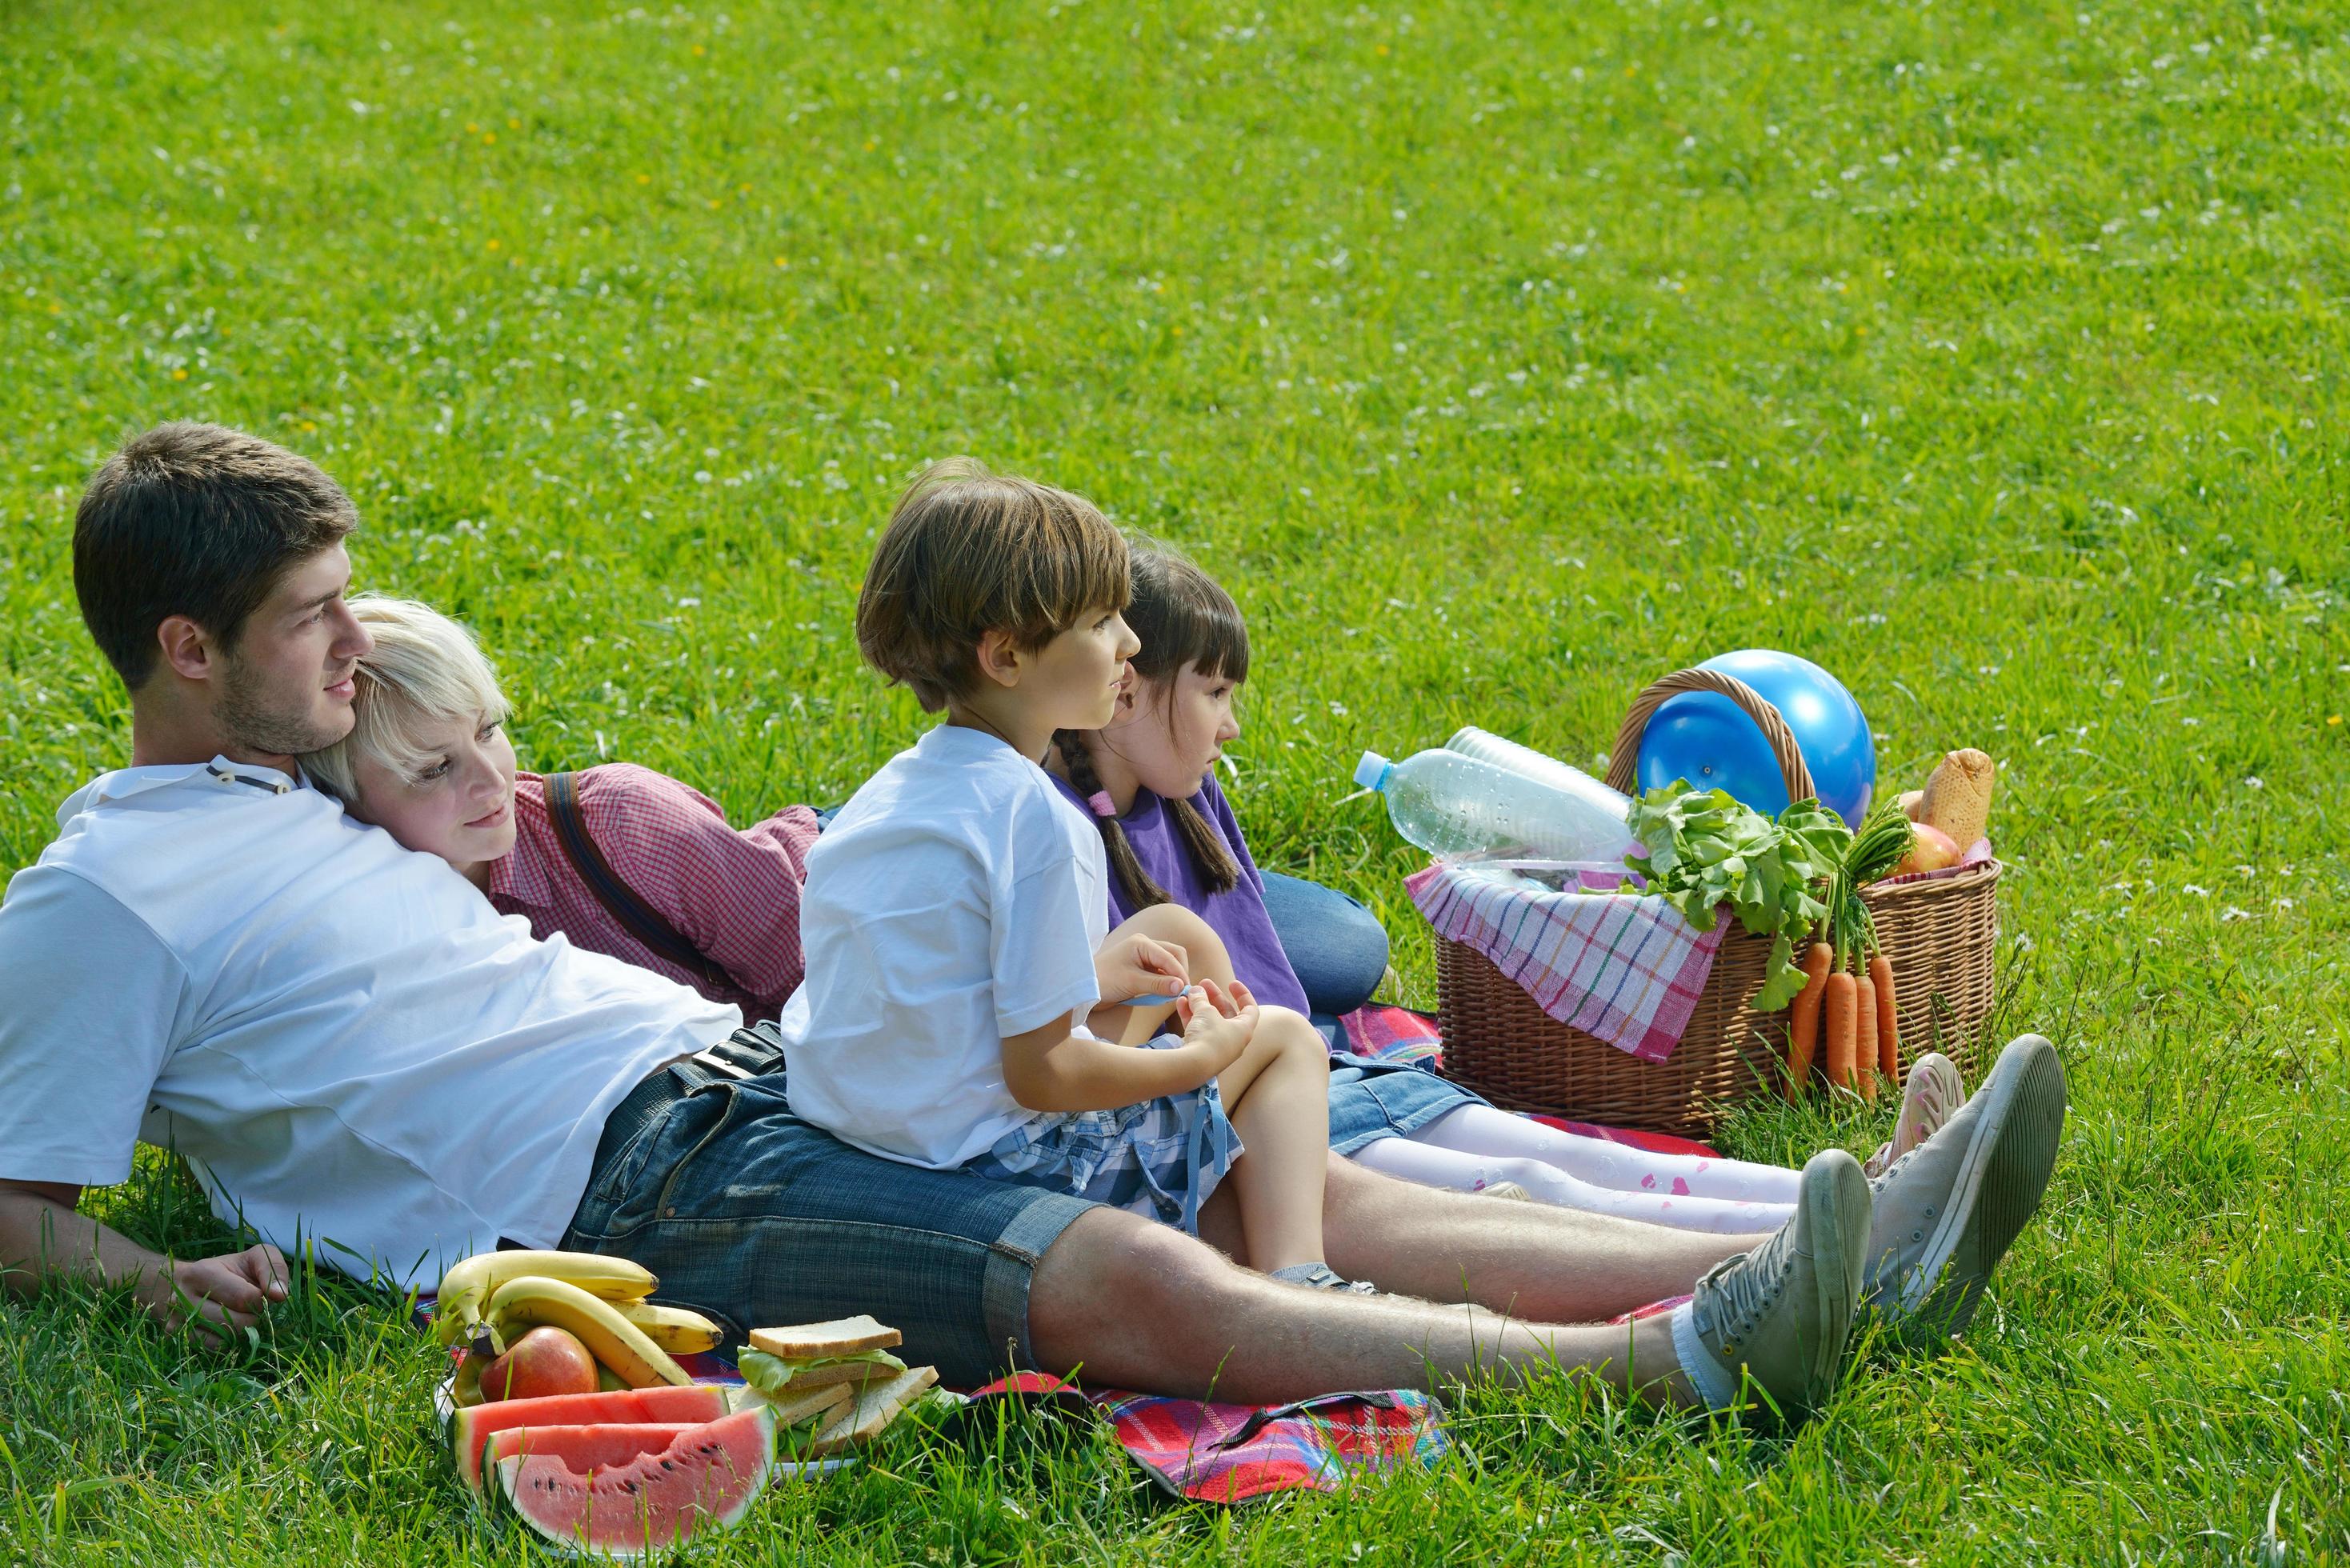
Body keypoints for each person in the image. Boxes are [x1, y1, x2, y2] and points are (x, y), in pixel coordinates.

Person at [0, 422, 2068, 1427]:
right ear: (183, 652)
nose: (355, 649)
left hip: (730, 1071)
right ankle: (1663, 1369)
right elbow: (14, 1203)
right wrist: (167, 1281)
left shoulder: (295, 787)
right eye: (308, 623)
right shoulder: (104, 893)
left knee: (1294, 1139)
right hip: (620, 1189)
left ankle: (1824, 1241)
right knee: (1099, 1268)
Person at [1045, 544, 1969, 1232]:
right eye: (1213, 694)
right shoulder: (1064, 839)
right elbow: (1093, 1052)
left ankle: (1871, 1178)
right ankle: (1823, 1228)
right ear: (1124, 693)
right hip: (1259, 1114)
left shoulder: (1182, 793)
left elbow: (1272, 970)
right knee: (1538, 1191)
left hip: (1326, 1071)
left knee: (1545, 1145)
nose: (1233, 725)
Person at [774, 459, 1357, 1286]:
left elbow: (941, 982)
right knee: (1284, 1039)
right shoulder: (1039, 819)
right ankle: (1303, 1279)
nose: (1130, 643)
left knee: (1158, 939)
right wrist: (1200, 1059)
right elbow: (1045, 1074)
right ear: (1007, 655)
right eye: (1103, 621)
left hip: (880, 1139)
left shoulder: (895, 791)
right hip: (1002, 1173)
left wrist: (1093, 977)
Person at [300, 597, 821, 1024]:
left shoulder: (621, 823)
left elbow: (824, 990)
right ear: (343, 803)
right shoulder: (372, 939)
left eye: (487, 730)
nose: (490, 782)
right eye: (435, 768)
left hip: (835, 896)